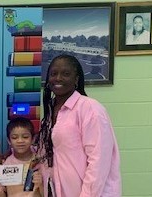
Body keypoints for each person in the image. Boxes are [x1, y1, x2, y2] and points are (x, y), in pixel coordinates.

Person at [37, 54, 121, 197]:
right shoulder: (51, 110)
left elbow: (98, 163)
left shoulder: (90, 109)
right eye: (53, 74)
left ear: (76, 79)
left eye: (66, 74)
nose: (58, 78)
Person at [0, 117, 43, 197]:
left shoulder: (41, 159)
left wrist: (41, 185)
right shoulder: (6, 165)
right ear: (9, 141)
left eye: (25, 137)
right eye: (15, 137)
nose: (20, 141)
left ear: (33, 139)